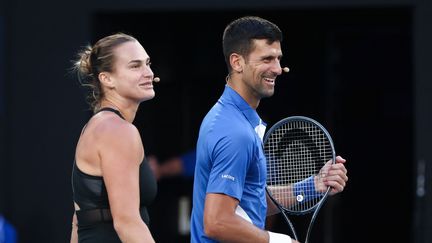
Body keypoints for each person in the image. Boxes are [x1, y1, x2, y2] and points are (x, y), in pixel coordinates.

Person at [190, 16, 348, 243]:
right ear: (237, 62)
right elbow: (217, 222)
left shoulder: (231, 118)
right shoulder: (235, 132)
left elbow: (249, 203)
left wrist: (313, 186)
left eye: (278, 59)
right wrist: (279, 241)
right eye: (266, 59)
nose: (277, 68)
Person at [70, 33, 158, 243]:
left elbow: (78, 220)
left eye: (147, 63)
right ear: (106, 78)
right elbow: (127, 223)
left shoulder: (100, 126)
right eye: (135, 66)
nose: (148, 73)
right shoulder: (116, 131)